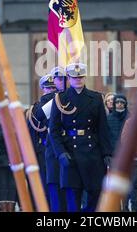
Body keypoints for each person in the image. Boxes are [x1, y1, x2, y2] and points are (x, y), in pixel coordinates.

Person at [49, 63, 112, 212]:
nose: (78, 79)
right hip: (70, 153)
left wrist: (107, 153)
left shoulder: (96, 98)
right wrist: (60, 152)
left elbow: (102, 129)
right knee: (72, 198)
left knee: (95, 197)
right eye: (74, 77)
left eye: (80, 77)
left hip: (92, 154)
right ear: (69, 78)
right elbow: (54, 130)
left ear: (84, 77)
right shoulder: (61, 99)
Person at [27, 74, 56, 205]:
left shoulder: (63, 104)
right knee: (44, 181)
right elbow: (31, 132)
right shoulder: (35, 108)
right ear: (43, 89)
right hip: (42, 148)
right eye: (48, 88)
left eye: (53, 88)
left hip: (57, 149)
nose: (51, 91)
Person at [45, 66, 67, 212]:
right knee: (54, 186)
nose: (59, 82)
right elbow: (39, 117)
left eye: (62, 79)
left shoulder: (71, 97)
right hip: (53, 148)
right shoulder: (48, 100)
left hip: (70, 146)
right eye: (57, 79)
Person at [0, 115, 17, 212]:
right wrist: (6, 131)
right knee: (3, 185)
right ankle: (4, 209)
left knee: (12, 185)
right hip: (0, 158)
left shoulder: (16, 122)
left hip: (14, 158)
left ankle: (11, 208)